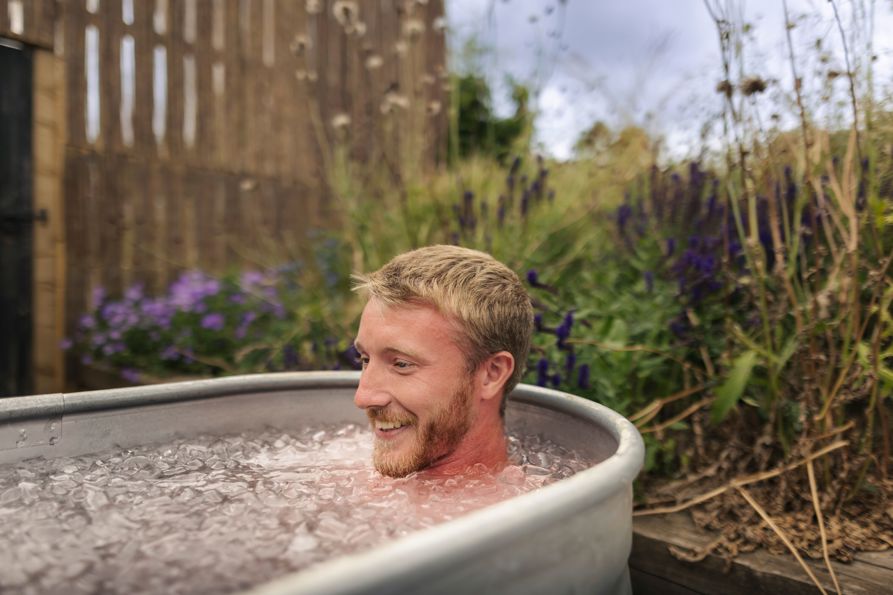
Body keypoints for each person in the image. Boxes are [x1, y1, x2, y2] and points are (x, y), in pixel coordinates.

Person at [351, 245, 534, 478]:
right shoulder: (340, 469)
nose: (363, 397)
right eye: (365, 359)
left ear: (492, 374)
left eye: (401, 364)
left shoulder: (522, 509)